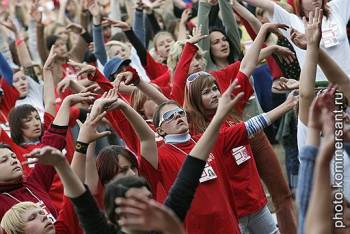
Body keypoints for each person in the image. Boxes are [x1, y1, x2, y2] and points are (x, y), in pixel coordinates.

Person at [242, 0, 350, 82]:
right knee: (337, 112)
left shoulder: (336, 8)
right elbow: (264, 4)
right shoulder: (291, 21)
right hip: (319, 87)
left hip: (347, 81)